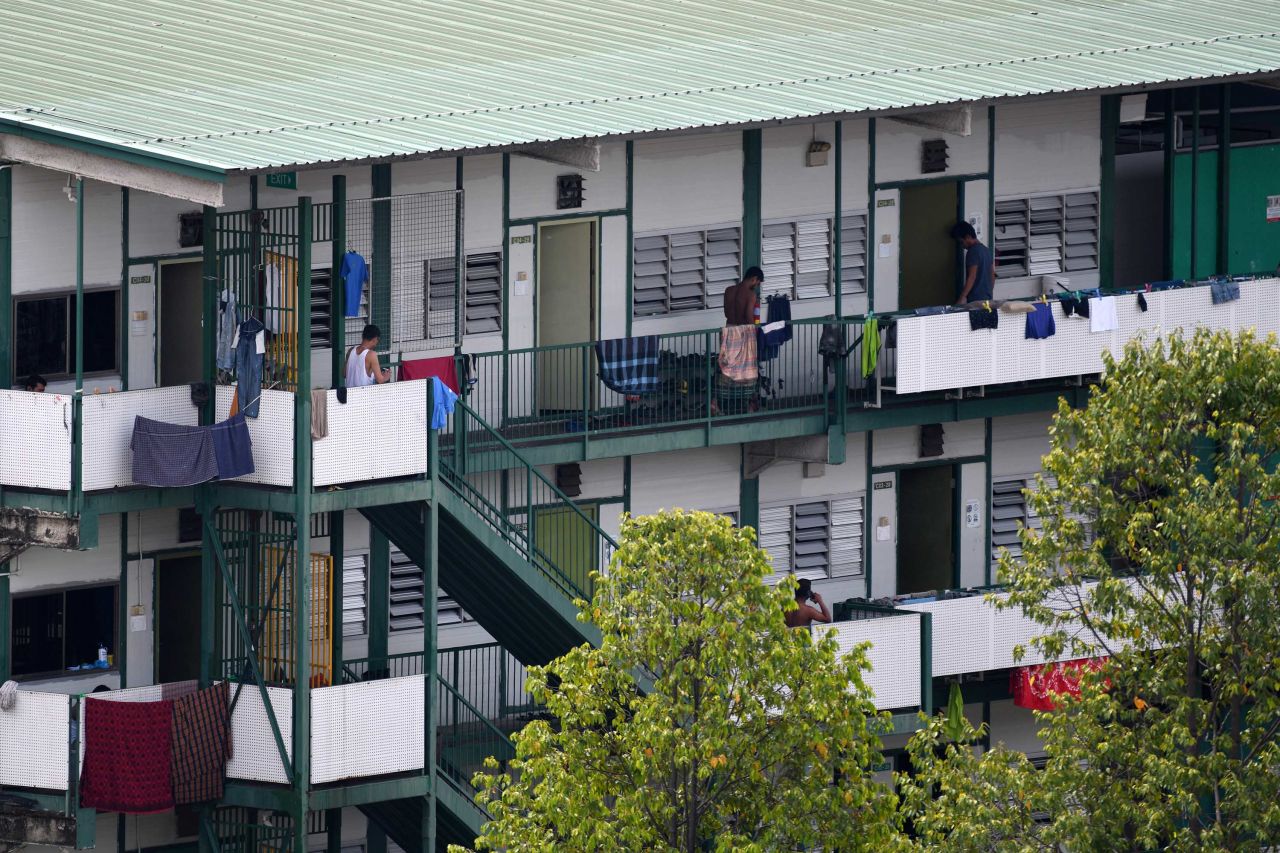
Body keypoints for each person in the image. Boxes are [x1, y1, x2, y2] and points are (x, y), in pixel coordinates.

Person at [950, 221, 995, 305]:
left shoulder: (972, 252)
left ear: (968, 237)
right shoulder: (986, 250)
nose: (962, 246)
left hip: (975, 300)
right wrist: (989, 293)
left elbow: (972, 277)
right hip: (988, 299)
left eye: (961, 242)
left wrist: (962, 297)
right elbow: (992, 275)